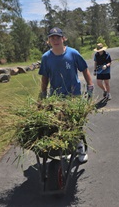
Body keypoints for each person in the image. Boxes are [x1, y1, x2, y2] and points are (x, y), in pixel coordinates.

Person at [38, 27, 94, 162]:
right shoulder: (46, 58)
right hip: (56, 97)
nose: (55, 40)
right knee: (60, 124)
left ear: (63, 38)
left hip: (73, 94)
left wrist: (90, 86)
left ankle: (80, 149)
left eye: (58, 37)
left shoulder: (72, 53)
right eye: (52, 38)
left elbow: (85, 70)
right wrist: (43, 94)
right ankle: (67, 148)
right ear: (48, 41)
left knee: (75, 123)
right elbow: (45, 77)